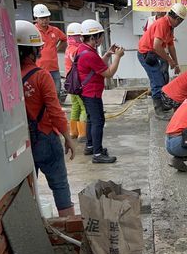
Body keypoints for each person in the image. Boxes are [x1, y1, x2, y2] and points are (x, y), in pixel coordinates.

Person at [16, 20, 76, 217]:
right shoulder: (41, 76)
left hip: (21, 144)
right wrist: (68, 138)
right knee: (59, 185)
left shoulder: (9, 79)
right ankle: (68, 227)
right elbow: (55, 111)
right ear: (33, 50)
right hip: (45, 137)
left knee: (27, 191)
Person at [78, 19, 125, 164]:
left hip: (87, 91)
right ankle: (97, 154)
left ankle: (90, 146)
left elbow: (97, 66)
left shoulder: (84, 49)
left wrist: (108, 54)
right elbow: (109, 73)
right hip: (91, 92)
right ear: (93, 38)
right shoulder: (89, 54)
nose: (102, 38)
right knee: (98, 121)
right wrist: (117, 57)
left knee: (92, 119)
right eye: (100, 36)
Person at [137, 3, 187, 120]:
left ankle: (163, 104)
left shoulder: (170, 27)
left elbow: (171, 46)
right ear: (178, 19)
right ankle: (158, 110)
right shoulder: (162, 24)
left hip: (155, 53)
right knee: (157, 80)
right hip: (147, 54)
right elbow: (156, 46)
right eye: (181, 21)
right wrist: (169, 60)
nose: (180, 24)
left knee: (164, 77)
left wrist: (176, 63)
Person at [33, 4, 67, 101]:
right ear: (36, 18)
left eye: (46, 18)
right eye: (42, 18)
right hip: (39, 69)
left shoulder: (55, 30)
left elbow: (64, 39)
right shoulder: (33, 30)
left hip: (54, 68)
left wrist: (57, 48)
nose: (45, 20)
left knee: (56, 92)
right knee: (41, 93)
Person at [64, 22, 87, 143]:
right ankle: (82, 134)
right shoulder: (77, 50)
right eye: (80, 36)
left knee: (75, 106)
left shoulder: (68, 48)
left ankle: (73, 132)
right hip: (77, 83)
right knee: (84, 107)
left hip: (70, 83)